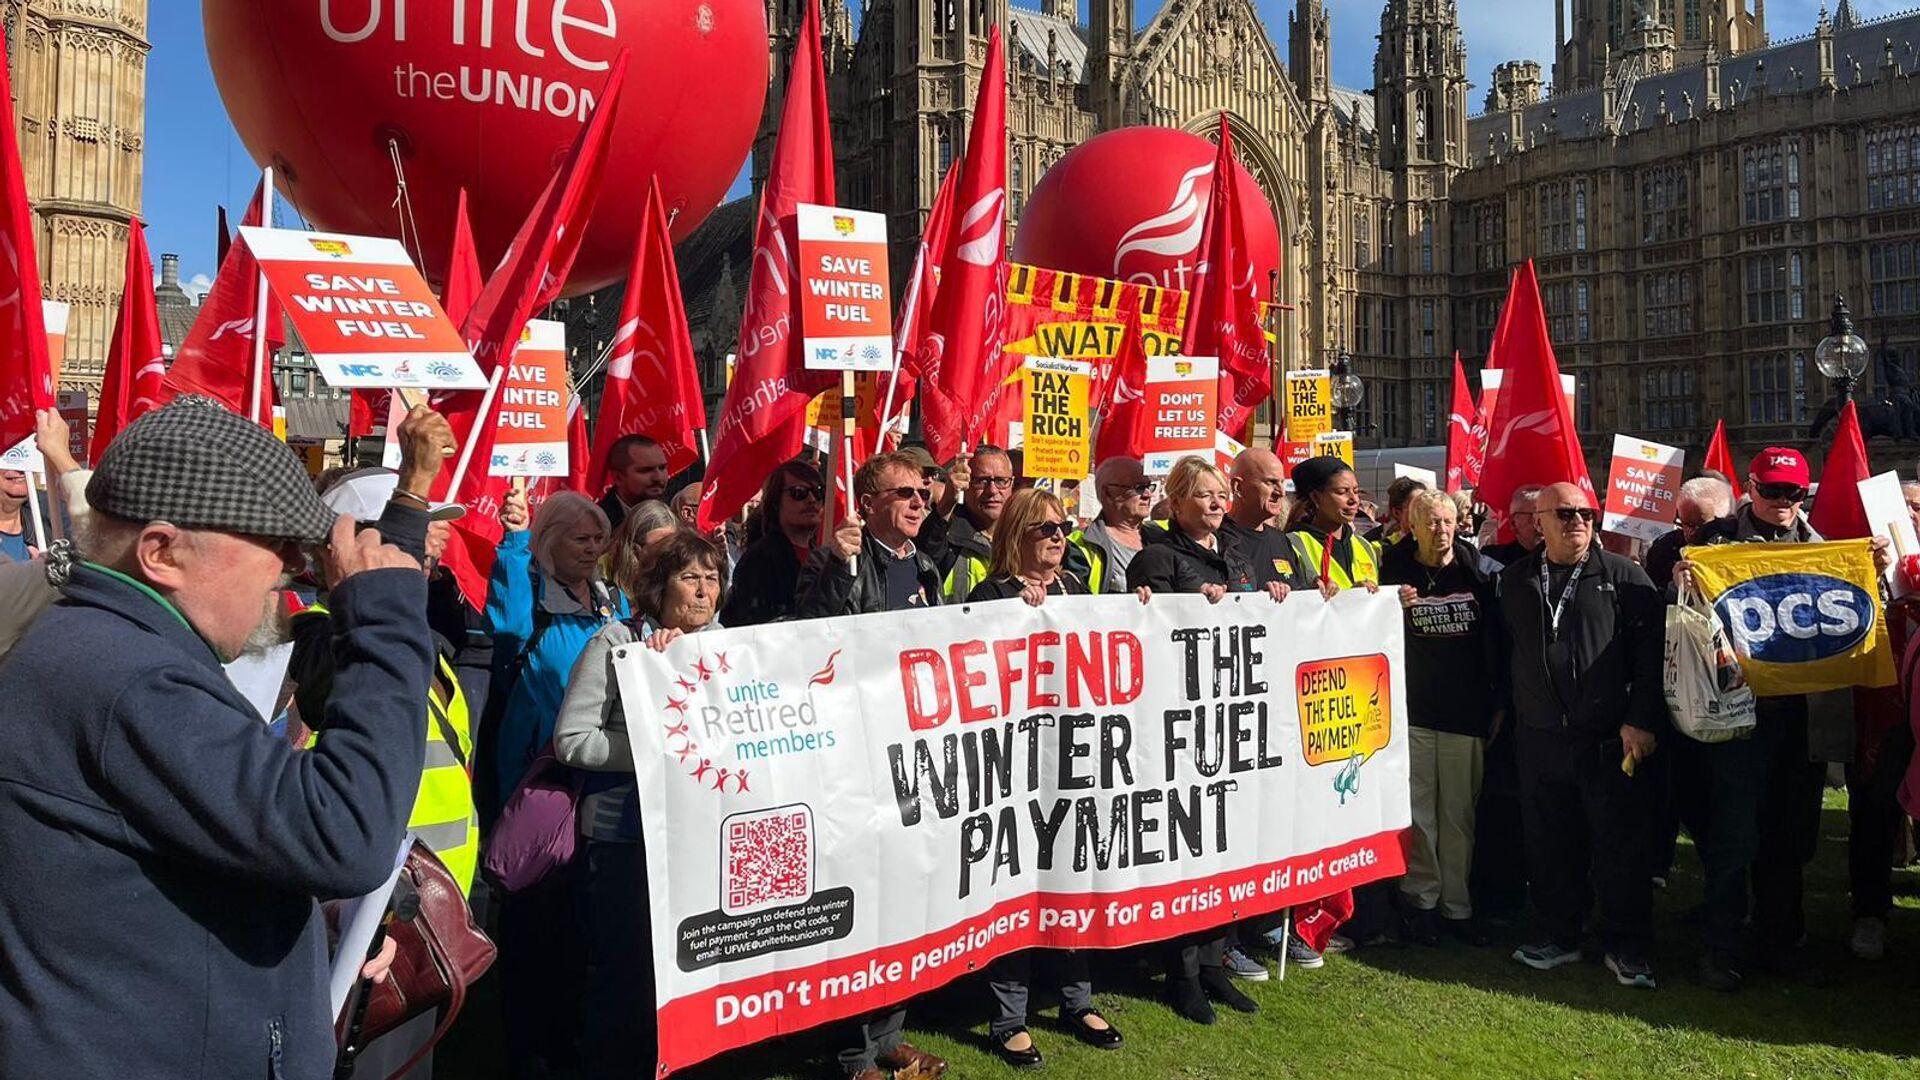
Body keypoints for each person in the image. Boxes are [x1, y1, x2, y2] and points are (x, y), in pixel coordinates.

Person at [0, 396, 425, 1080]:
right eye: (271, 539)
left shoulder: (117, 653)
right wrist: (386, 623)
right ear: (162, 552)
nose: (290, 564)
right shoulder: (127, 677)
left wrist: (304, 927)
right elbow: (345, 835)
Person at [1673, 448, 1894, 989]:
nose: (1783, 503)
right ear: (1750, 488)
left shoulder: (1827, 552)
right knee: (1734, 835)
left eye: (1794, 494)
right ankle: (1721, 945)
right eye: (1772, 492)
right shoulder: (1714, 543)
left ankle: (1781, 939)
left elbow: (1864, 618)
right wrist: (1683, 577)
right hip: (1740, 716)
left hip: (1802, 717)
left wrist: (1877, 575)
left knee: (1789, 837)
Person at [791, 449, 949, 1080]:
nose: (919, 503)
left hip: (914, 757)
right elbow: (809, 633)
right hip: (856, 758)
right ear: (870, 502)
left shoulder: (929, 566)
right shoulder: (839, 563)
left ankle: (888, 1034)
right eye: (904, 493)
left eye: (924, 494)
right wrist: (836, 563)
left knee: (907, 894)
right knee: (862, 896)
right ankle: (852, 1051)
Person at [556, 530, 726, 1080]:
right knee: (625, 973)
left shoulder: (732, 650)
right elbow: (573, 739)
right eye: (689, 578)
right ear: (658, 586)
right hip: (625, 839)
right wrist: (662, 752)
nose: (703, 592)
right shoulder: (618, 643)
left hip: (700, 838)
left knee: (692, 969)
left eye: (712, 578)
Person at [966, 489, 1125, 1066]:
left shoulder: (1077, 592)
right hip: (1014, 772)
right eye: (1045, 529)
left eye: (1063, 528)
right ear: (1017, 535)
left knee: (1071, 880)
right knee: (1016, 888)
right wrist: (1014, 613)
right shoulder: (991, 595)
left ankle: (1076, 999)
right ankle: (1008, 1016)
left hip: (1071, 764)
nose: (1059, 537)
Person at [485, 487, 630, 1080]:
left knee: (578, 923)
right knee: (533, 917)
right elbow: (507, 624)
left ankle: (568, 1037)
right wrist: (514, 538)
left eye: (599, 538)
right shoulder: (532, 606)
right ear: (549, 543)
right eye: (580, 538)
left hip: (592, 779)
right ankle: (527, 1047)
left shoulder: (609, 600)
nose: (594, 548)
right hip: (539, 782)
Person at [1126, 456, 1274, 1022]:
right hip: (1179, 727)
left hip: (1231, 723)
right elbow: (1151, 633)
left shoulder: (1232, 555)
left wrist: (1274, 597)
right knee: (1189, 850)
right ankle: (1182, 973)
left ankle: (1214, 962)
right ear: (1177, 501)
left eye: (1219, 494)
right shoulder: (1157, 558)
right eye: (1204, 495)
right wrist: (1191, 606)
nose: (1216, 503)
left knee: (1228, 847)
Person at [1502, 482, 1666, 990]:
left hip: (1609, 739)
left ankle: (1627, 946)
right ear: (1538, 521)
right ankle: (1559, 934)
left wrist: (1641, 719)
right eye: (1566, 513)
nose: (1578, 521)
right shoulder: (1515, 580)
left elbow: (1651, 657)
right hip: (1542, 739)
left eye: (1586, 513)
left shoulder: (1623, 576)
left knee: (1620, 848)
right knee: (1551, 844)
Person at [1382, 490, 1503, 947]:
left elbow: (1499, 638)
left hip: (1465, 712)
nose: (1442, 530)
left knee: (1458, 815)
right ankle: (1421, 903)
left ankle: (1458, 906)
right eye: (1432, 521)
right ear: (1412, 526)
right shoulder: (1393, 570)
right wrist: (1392, 605)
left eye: (1449, 521)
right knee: (1418, 813)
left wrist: (1498, 704)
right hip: (1412, 711)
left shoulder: (1478, 573)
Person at [723, 460, 825, 626]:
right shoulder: (760, 558)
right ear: (776, 502)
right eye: (799, 493)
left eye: (819, 492)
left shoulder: (823, 557)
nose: (812, 500)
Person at [1221, 447, 1311, 591]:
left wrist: (1316, 591)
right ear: (1238, 487)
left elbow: (1298, 594)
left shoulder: (1281, 540)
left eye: (1281, 482)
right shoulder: (1216, 539)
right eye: (1270, 482)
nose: (1281, 492)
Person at [1070, 456, 1155, 594]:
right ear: (1107, 493)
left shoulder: (1162, 535)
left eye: (1149, 486)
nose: (1148, 494)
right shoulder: (1080, 545)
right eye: (1139, 488)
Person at [940, 444, 1015, 599]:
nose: (992, 490)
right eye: (982, 481)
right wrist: (946, 503)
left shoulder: (1025, 539)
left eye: (1001, 481)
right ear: (965, 483)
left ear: (1012, 485)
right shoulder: (946, 538)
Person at [1644, 476, 1733, 593]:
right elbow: (1652, 600)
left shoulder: (1738, 546)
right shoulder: (1664, 547)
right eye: (1683, 524)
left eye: (1699, 525)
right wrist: (1676, 587)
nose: (1690, 533)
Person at [596, 433, 671, 530]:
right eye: (646, 470)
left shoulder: (675, 518)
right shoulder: (596, 524)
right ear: (618, 477)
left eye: (662, 468)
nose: (658, 477)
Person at [1481, 484, 1546, 568]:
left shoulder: (1564, 561)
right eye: (1534, 516)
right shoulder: (1492, 561)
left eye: (1546, 516)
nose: (1542, 524)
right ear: (1513, 523)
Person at [1366, 476, 1428, 546]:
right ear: (1397, 513)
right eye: (1416, 508)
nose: (1425, 513)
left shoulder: (1437, 540)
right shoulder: (1380, 547)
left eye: (1428, 506)